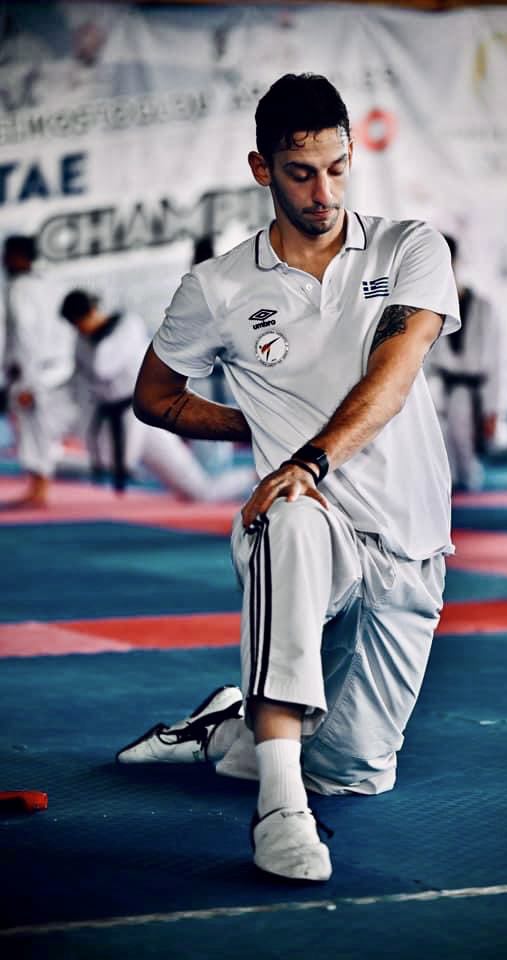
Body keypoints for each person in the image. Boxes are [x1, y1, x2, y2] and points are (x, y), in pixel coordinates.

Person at [116, 73, 460, 882]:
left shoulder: (409, 248)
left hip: (408, 541)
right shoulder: (218, 287)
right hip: (309, 516)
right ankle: (278, 810)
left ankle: (230, 730)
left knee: (355, 770)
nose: (324, 191)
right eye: (301, 172)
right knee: (290, 520)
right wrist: (269, 438)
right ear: (261, 168)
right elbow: (154, 397)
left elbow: (393, 376)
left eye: (338, 168)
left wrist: (309, 447)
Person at [59, 288, 234, 501]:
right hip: (115, 416)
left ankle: (251, 478)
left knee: (198, 491)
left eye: (80, 322)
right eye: (75, 325)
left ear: (93, 311)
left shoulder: (127, 326)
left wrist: (97, 336)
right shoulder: (82, 339)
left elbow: (102, 366)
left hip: (144, 410)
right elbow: (79, 378)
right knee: (108, 463)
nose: (80, 329)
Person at [2, 235, 77, 507]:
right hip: (59, 364)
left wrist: (26, 380)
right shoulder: (52, 283)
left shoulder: (18, 289)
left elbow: (25, 334)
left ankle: (39, 488)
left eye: (7, 254)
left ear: (18, 257)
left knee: (32, 425)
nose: (3, 260)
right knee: (39, 425)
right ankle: (39, 486)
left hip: (32, 368)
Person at [425, 234, 502, 491]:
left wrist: (492, 408)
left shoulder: (482, 307)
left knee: (467, 451)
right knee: (439, 450)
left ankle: (468, 481)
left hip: (472, 387)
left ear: (455, 261)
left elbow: (494, 363)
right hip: (439, 385)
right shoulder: (427, 305)